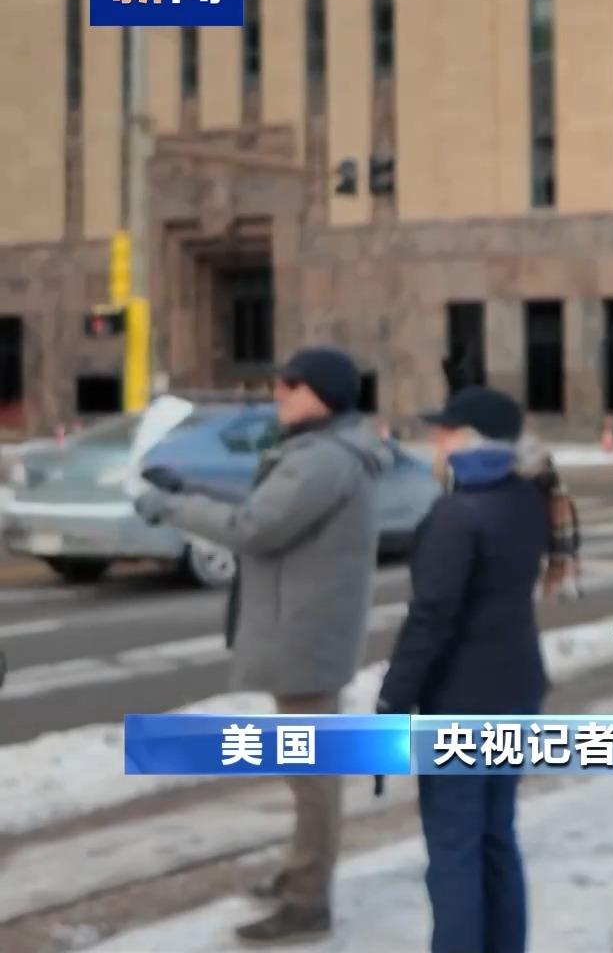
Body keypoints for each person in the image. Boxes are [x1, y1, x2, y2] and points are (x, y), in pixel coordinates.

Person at [134, 346, 386, 944]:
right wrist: (190, 487)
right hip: (306, 630)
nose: (279, 393)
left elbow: (254, 528)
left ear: (322, 395)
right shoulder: (322, 451)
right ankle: (301, 874)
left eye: (291, 384)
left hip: (306, 635)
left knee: (313, 775)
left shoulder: (325, 459)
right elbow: (265, 509)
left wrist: (170, 506)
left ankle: (308, 901)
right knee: (307, 770)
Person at [377, 386, 552, 953]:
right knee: (496, 836)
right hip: (516, 689)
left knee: (454, 849)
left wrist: (392, 699)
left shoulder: (457, 515)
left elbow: (430, 618)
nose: (436, 441)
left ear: (474, 441)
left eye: (446, 432)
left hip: (461, 702)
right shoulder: (527, 497)